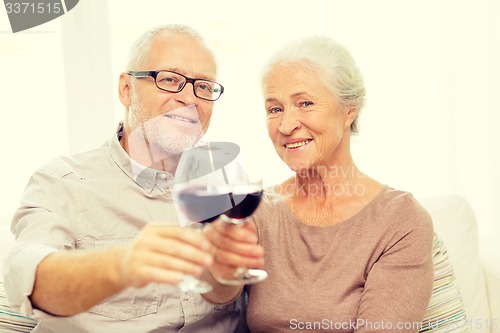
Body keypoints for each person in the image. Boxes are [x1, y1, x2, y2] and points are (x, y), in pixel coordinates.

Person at [2, 24, 263, 333]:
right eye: (169, 80)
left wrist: (221, 272)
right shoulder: (62, 182)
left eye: (204, 86)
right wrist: (120, 265)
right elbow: (31, 278)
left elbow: (224, 297)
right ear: (127, 89)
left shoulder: (225, 183)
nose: (189, 98)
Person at [207, 36, 434, 332]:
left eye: (305, 103)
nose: (286, 126)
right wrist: (222, 266)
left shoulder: (400, 221)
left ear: (349, 110)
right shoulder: (258, 211)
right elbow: (219, 296)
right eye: (275, 109)